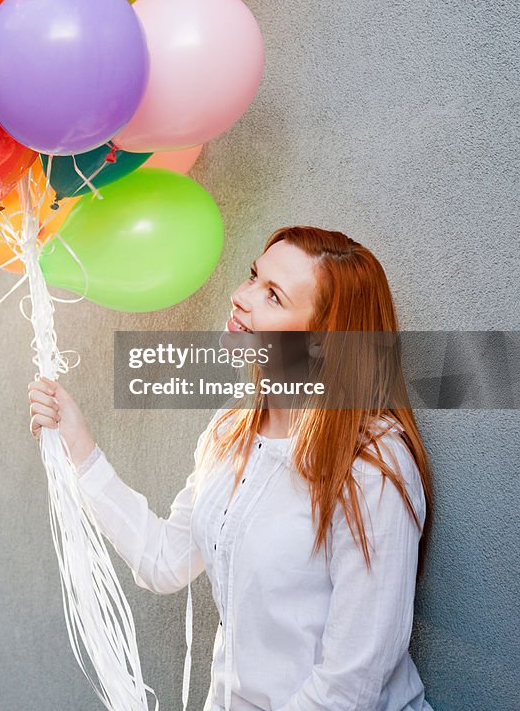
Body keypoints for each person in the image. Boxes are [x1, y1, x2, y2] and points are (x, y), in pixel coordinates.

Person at [28, 226, 435, 711]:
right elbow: (162, 560)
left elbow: (350, 687)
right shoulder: (230, 432)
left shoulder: (372, 465)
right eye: (253, 276)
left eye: (273, 296)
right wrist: (79, 443)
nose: (240, 297)